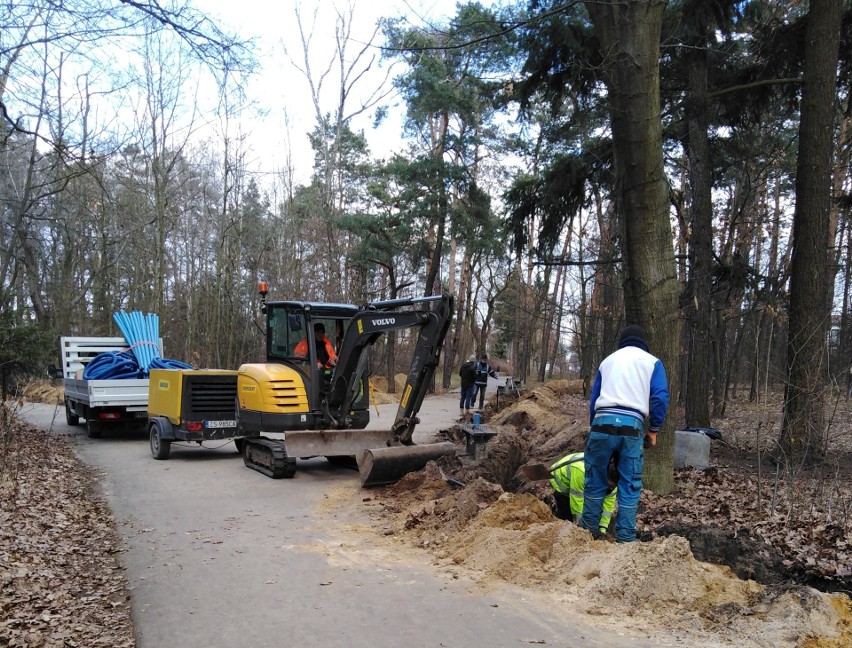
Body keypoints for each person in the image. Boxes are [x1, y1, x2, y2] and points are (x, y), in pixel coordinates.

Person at [579, 325, 669, 543]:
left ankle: (585, 538)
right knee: (630, 484)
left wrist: (595, 428)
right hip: (632, 428)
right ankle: (625, 545)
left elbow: (594, 399)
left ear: (622, 342)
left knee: (595, 481)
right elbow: (660, 398)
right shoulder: (653, 362)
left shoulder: (607, 361)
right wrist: (654, 430)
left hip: (601, 424)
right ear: (644, 343)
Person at [550, 452, 618, 535]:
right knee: (567, 516)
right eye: (608, 485)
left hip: (585, 482)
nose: (610, 488)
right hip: (561, 479)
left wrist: (602, 528)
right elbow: (577, 499)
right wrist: (579, 527)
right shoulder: (582, 471)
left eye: (612, 486)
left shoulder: (614, 481)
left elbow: (607, 506)